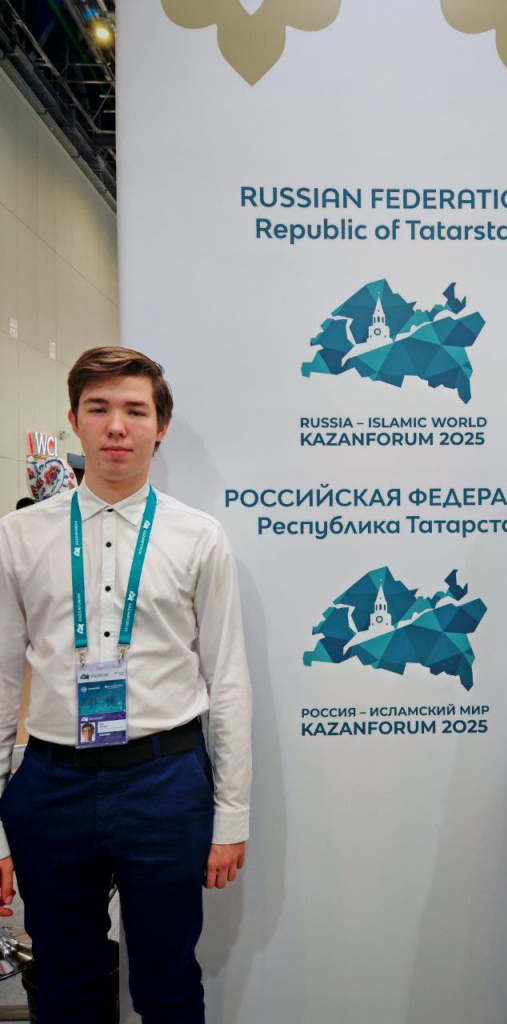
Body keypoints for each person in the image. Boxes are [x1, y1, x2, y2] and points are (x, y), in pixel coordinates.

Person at [0, 347, 252, 1024]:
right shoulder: (17, 537)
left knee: (169, 985)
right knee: (63, 984)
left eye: (135, 411)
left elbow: (227, 681)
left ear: (160, 426)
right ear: (74, 421)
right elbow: (0, 682)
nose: (117, 426)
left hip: (164, 781)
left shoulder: (199, 537)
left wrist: (232, 815)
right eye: (99, 409)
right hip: (51, 783)